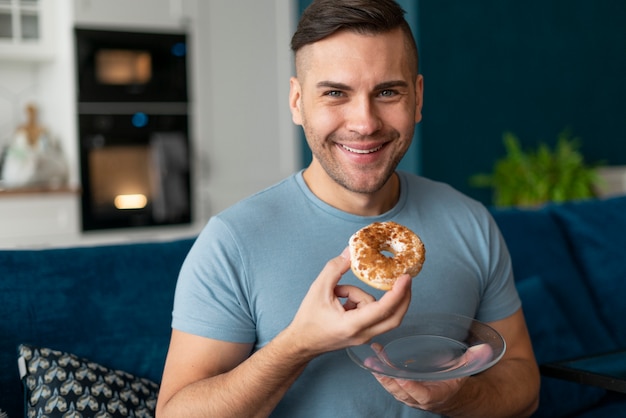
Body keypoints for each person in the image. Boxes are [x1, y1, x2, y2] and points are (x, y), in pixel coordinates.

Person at [156, 0, 540, 416]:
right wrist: (298, 344)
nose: (364, 122)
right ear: (297, 102)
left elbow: (525, 387)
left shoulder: (470, 221)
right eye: (336, 93)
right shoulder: (233, 241)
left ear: (418, 97)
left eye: (388, 91)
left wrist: (458, 397)